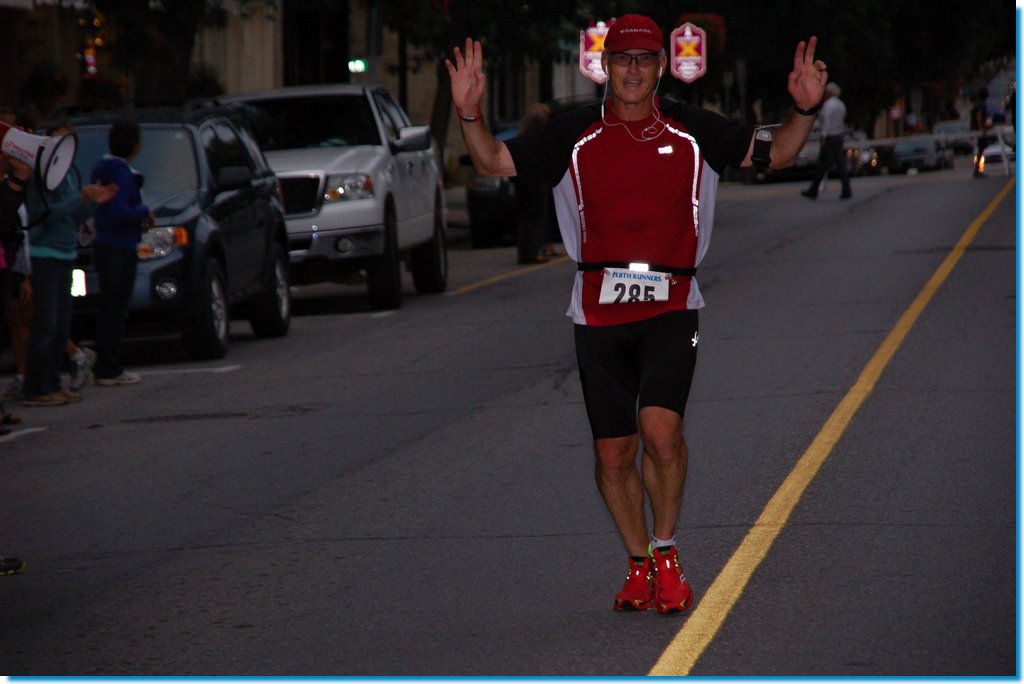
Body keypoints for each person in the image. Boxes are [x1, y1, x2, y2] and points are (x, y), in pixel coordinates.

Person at [446, 15, 826, 613]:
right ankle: (638, 562)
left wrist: (803, 110)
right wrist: (469, 114)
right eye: (622, 58)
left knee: (661, 431)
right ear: (605, 66)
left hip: (672, 302)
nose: (632, 70)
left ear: (662, 66)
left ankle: (666, 553)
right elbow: (494, 161)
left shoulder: (694, 130)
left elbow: (776, 152)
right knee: (613, 454)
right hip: (598, 310)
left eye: (645, 59)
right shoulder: (571, 135)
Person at [20, 120, 116, 407]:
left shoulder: (69, 174)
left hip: (65, 253)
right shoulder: (41, 174)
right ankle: (37, 387)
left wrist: (92, 201)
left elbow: (73, 215)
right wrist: (81, 199)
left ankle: (52, 383)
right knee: (46, 323)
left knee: (61, 324)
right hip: (45, 253)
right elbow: (45, 212)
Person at [90, 118, 152, 386]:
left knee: (109, 308)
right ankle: (110, 368)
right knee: (116, 309)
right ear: (134, 144)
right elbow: (119, 211)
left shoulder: (101, 168)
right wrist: (143, 211)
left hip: (104, 244)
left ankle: (105, 365)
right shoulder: (121, 172)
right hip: (119, 246)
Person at [514, 103, 558, 264]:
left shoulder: (521, 140)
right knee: (537, 218)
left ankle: (525, 252)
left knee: (524, 219)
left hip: (522, 182)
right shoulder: (540, 141)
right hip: (537, 182)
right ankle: (532, 253)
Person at [800, 82, 851, 199]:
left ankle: (813, 190)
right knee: (840, 163)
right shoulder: (841, 104)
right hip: (838, 136)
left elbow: (826, 122)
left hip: (830, 137)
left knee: (823, 164)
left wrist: (823, 136)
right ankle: (846, 189)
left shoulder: (828, 105)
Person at [970, 87, 992, 178]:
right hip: (979, 129)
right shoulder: (982, 104)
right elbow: (979, 116)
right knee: (981, 148)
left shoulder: (976, 103)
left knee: (981, 149)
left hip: (975, 128)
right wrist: (981, 128)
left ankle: (976, 170)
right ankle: (976, 171)